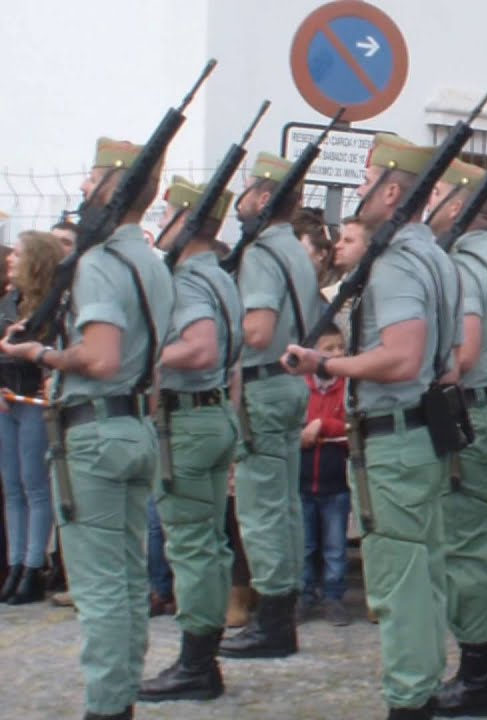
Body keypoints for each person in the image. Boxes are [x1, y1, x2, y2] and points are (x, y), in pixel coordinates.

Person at [285, 133, 462, 719]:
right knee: (424, 572)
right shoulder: (435, 255)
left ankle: (409, 698)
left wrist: (325, 365)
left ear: (390, 191)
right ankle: (424, 687)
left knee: (398, 580)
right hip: (419, 432)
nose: (357, 191)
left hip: (396, 436)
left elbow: (402, 357)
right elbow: (448, 361)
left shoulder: (397, 264)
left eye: (365, 181)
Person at [1, 137, 176, 720]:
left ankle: (106, 705)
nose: (82, 187)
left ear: (114, 187)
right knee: (125, 580)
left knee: (101, 586)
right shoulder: (150, 261)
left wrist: (40, 354)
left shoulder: (100, 263)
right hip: (133, 424)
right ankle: (119, 697)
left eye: (92, 177)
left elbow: (99, 357)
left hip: (96, 431)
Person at [137, 177, 244, 703]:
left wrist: (142, 357)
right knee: (210, 544)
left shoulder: (186, 280)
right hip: (214, 412)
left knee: (192, 546)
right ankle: (203, 656)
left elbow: (201, 349)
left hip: (188, 420)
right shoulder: (219, 274)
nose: (161, 225)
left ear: (186, 220)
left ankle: (196, 664)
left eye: (168, 215)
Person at [430, 156, 487, 717]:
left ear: (461, 201)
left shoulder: (465, 264)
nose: (430, 201)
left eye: (437, 192)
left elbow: (462, 354)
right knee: (481, 547)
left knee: (464, 550)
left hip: (470, 416)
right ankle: (478, 668)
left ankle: (475, 678)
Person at [221, 152, 321, 660]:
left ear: (262, 197)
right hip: (290, 382)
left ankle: (272, 620)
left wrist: (218, 334)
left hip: (262, 383)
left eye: (246, 191)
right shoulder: (295, 249)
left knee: (260, 507)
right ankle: (282, 609)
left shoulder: (262, 252)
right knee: (284, 503)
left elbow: (257, 331)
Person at [0, 230, 60, 605]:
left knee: (35, 484)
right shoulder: (8, 302)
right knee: (12, 485)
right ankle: (16, 563)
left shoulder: (52, 306)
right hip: (7, 399)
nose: (10, 259)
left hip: (35, 400)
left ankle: (33, 565)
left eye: (18, 254)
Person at [297, 324, 350, 627]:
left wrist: (323, 426)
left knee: (335, 546)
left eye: (340, 347)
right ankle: (304, 595)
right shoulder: (301, 387)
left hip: (336, 482)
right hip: (303, 480)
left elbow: (350, 426)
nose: (337, 354)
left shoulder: (348, 388)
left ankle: (333, 596)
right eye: (328, 349)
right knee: (304, 545)